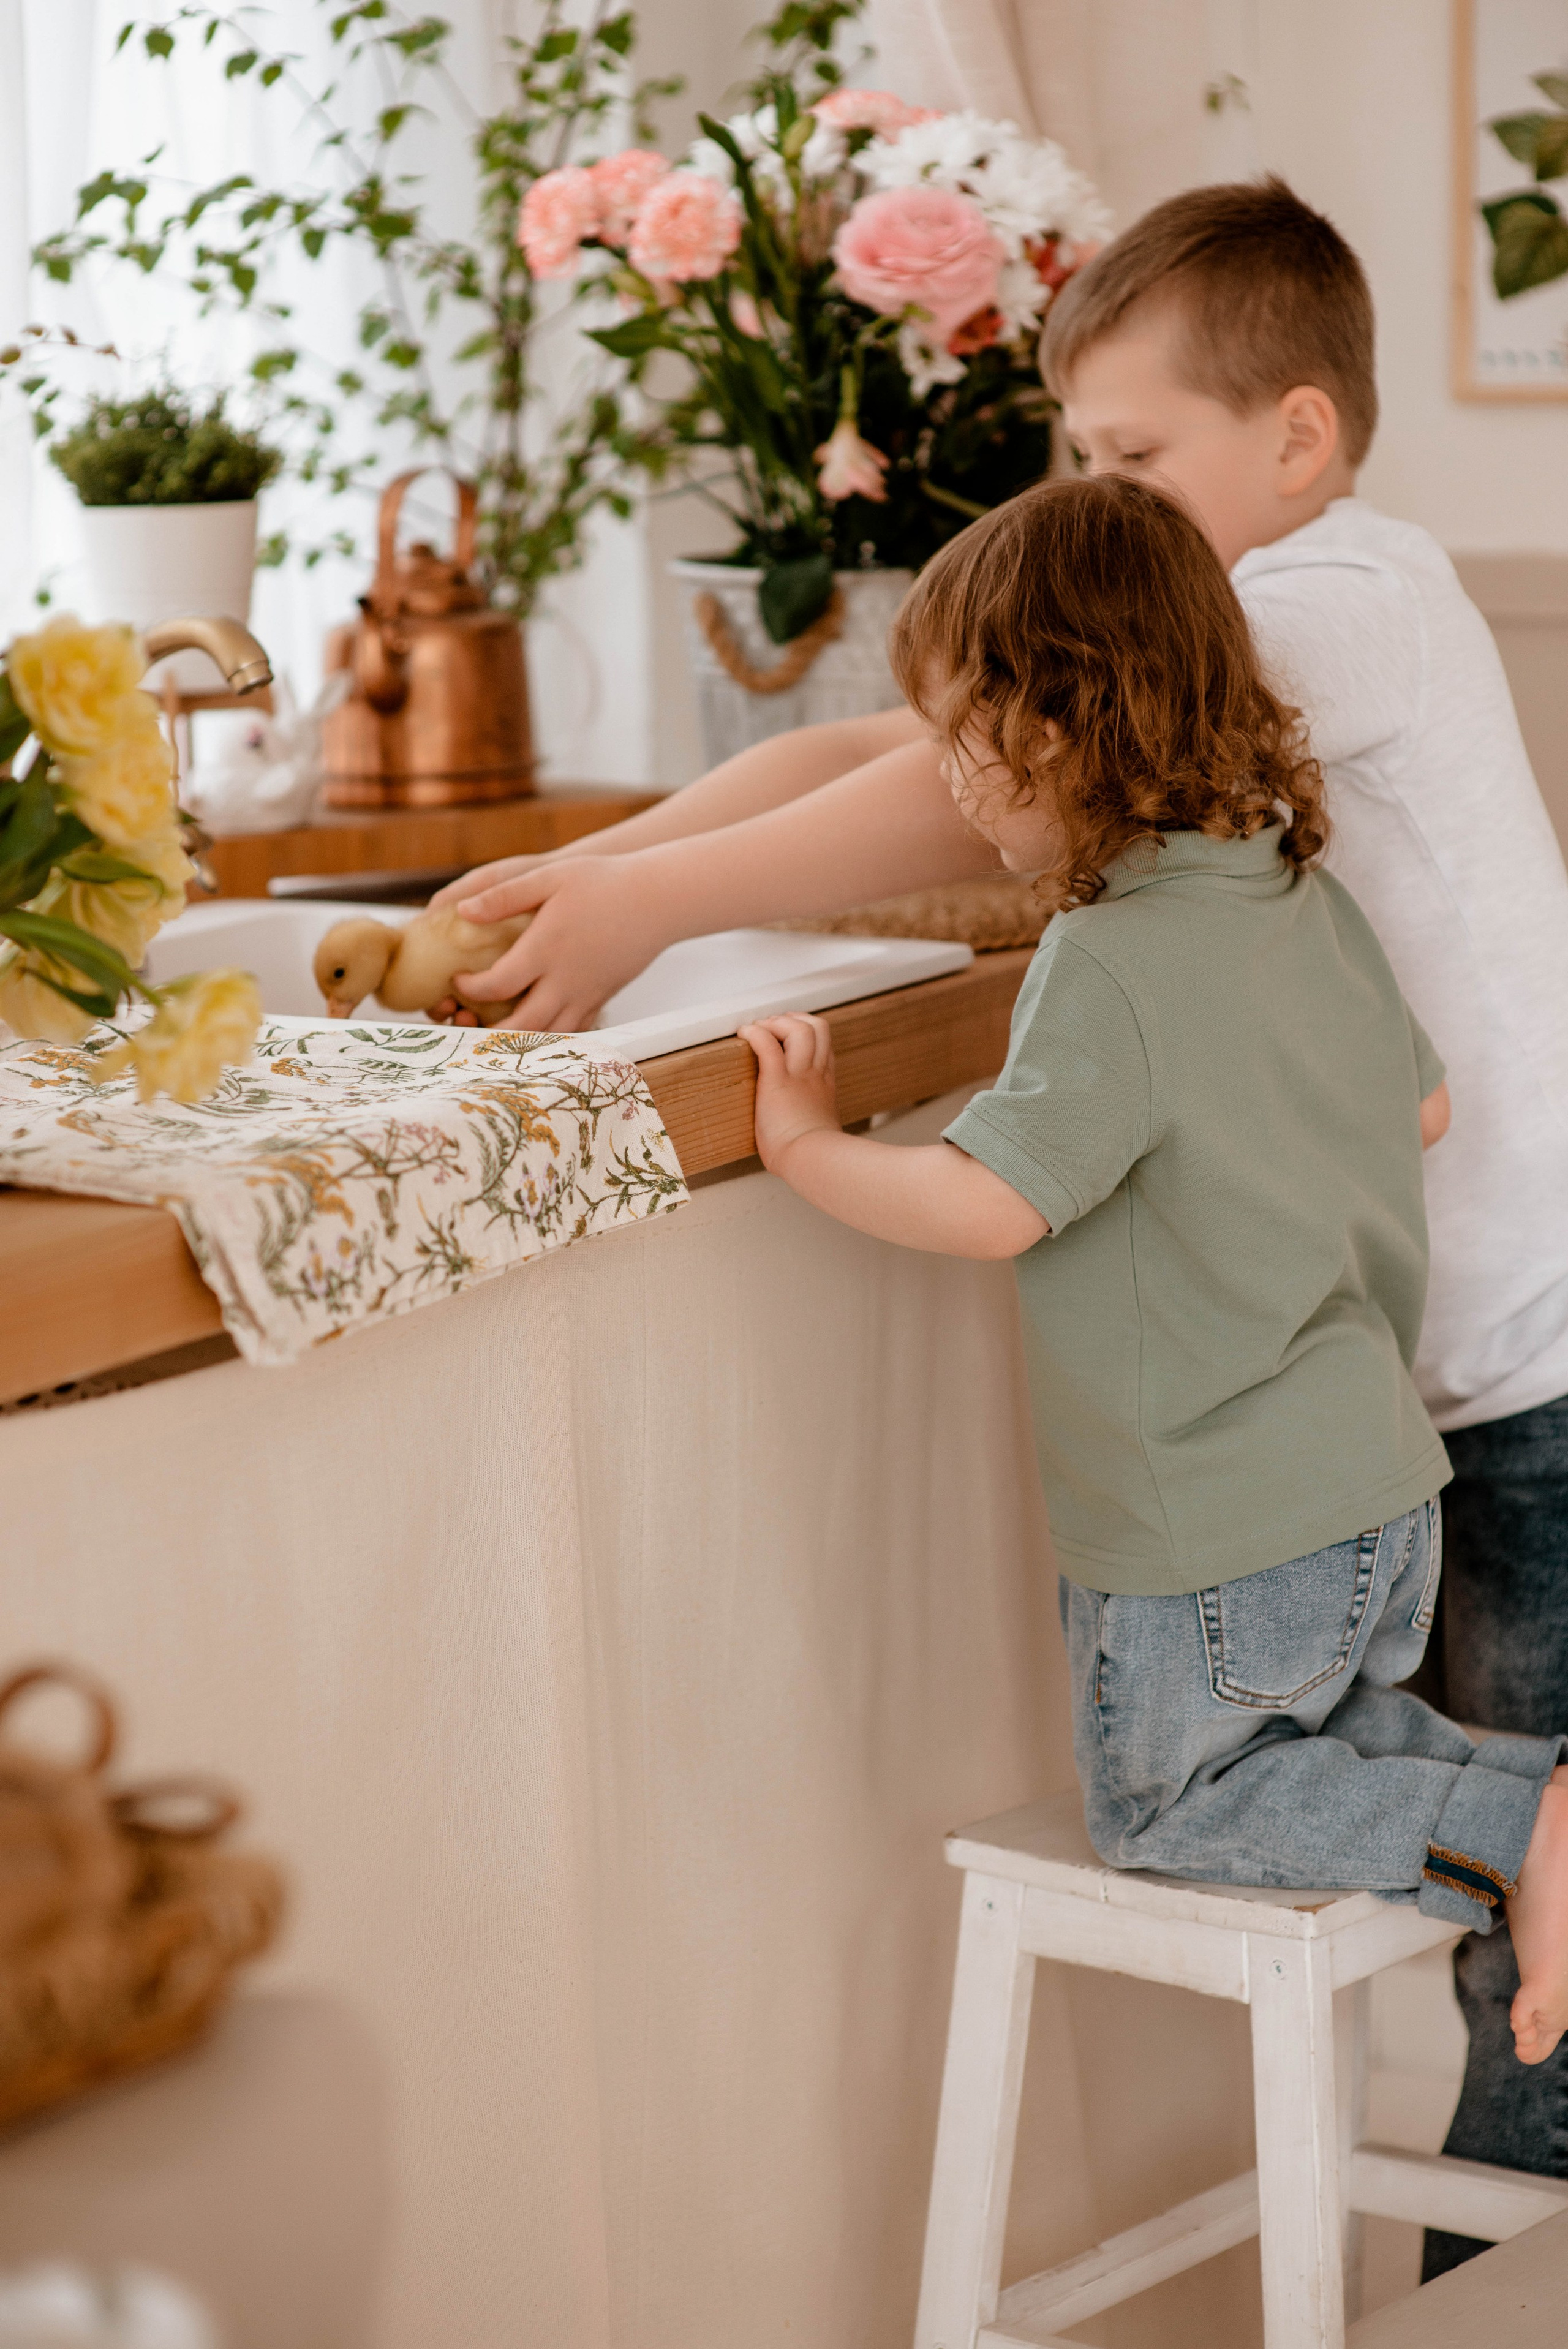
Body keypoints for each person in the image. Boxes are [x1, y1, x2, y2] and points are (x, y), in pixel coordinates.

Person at [434, 181, 1568, 2265]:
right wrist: (605, 870)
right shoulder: (1251, 821)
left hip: (1521, 1351)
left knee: (1537, 1941)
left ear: (1295, 444)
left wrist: (669, 910)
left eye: (1133, 462)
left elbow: (960, 772)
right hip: (1392, 1376)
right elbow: (918, 736)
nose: (1104, 502)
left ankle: (1497, 2287)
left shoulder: (1332, 602)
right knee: (1482, 1857)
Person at [736, 469, 1568, 2070]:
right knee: (1314, 1742)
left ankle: (1523, 1816)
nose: (950, 779)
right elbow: (1427, 1102)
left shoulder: (1106, 956)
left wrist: (803, 1149)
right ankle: (1517, 1804)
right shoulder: (1296, 895)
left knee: (1167, 1804)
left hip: (1217, 1540)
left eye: (959, 734)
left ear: (1056, 728)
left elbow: (993, 1204)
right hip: (1380, 1498)